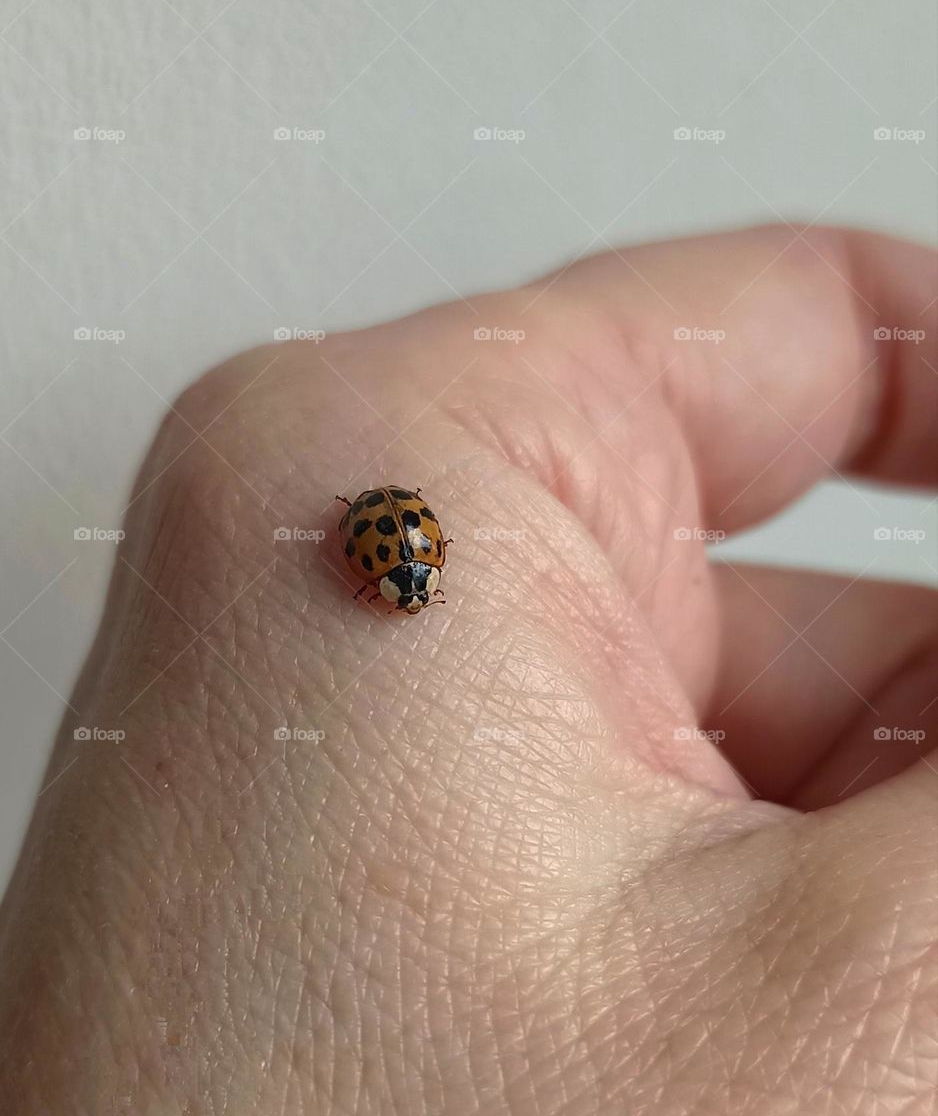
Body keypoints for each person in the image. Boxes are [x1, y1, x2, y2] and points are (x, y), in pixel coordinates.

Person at [1, 225, 935, 1114]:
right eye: (403, 584)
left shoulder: (400, 548)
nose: (404, 590)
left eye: (407, 583)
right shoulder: (389, 546)